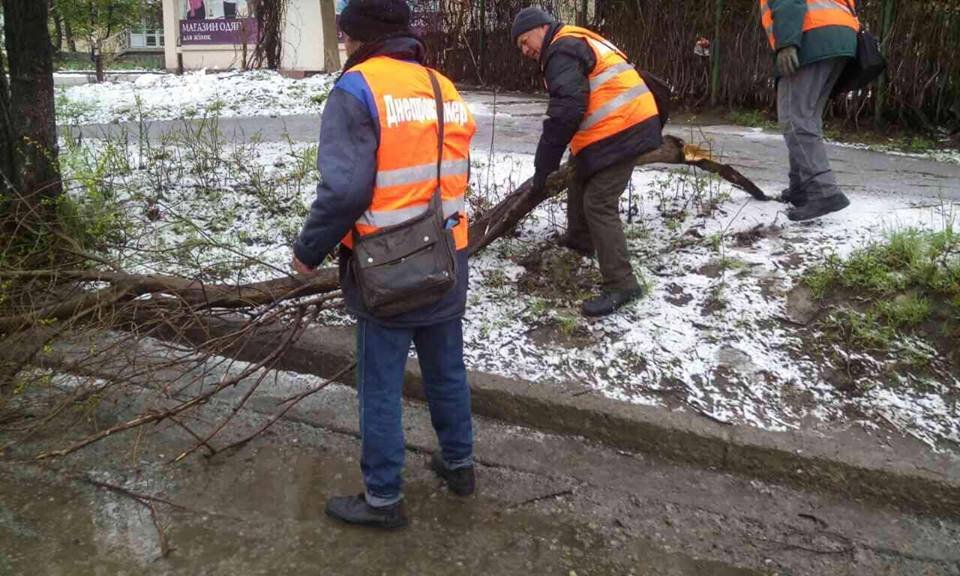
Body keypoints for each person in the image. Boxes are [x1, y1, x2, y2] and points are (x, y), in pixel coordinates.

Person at [291, 0, 477, 529]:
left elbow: (345, 189)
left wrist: (308, 252)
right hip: (447, 255)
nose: (346, 45)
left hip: (386, 265)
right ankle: (460, 466)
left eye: (347, 36)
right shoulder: (443, 86)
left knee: (380, 385)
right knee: (446, 370)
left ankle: (382, 497)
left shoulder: (357, 89)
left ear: (361, 36)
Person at [512, 7, 662, 317]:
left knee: (599, 201)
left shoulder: (561, 49)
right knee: (579, 173)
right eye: (521, 47)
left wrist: (544, 165)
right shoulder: (569, 41)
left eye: (525, 42)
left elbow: (566, 111)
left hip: (624, 127)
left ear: (542, 28)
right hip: (618, 126)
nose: (525, 51)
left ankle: (622, 283)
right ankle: (580, 243)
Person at [760, 0, 859, 221]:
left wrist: (787, 43)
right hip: (839, 38)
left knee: (794, 120)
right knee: (806, 118)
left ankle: (824, 191)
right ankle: (801, 188)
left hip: (812, 37)